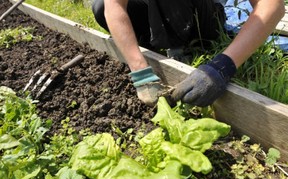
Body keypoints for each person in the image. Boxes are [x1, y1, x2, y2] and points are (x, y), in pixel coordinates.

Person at [92, 0, 285, 107]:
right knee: (99, 6)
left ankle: (185, 50)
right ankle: (155, 43)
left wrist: (222, 66)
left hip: (203, 15)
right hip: (157, 8)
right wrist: (139, 69)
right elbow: (113, 6)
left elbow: (272, 6)